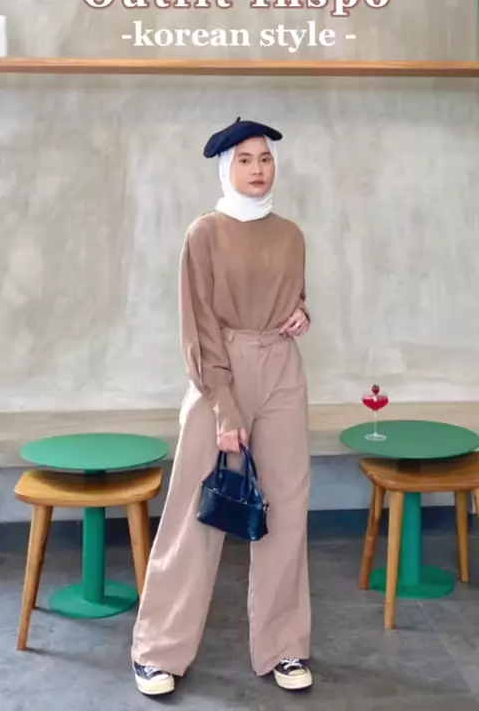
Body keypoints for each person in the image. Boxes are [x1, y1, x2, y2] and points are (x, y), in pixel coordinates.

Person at [131, 117, 313, 696]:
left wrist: (302, 314)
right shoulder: (204, 233)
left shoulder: (290, 234)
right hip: (220, 368)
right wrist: (224, 403)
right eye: (245, 160)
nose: (258, 169)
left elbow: (292, 296)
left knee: (287, 508)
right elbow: (199, 322)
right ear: (225, 169)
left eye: (265, 158)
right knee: (194, 512)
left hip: (282, 368)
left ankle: (285, 647)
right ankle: (158, 650)